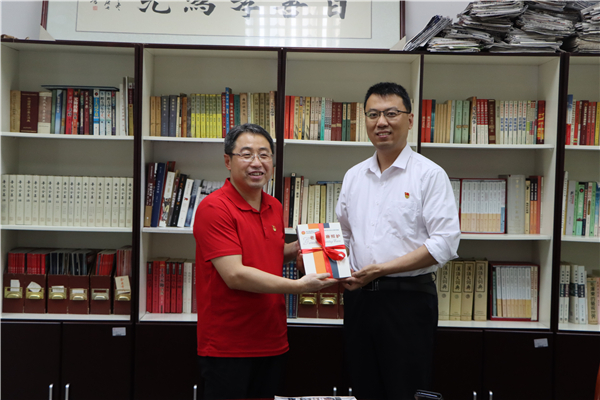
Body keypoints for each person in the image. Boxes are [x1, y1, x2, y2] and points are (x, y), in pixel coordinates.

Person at [335, 82, 461, 400]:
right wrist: (334, 266)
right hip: (360, 301)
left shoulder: (429, 175)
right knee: (364, 389)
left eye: (391, 113)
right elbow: (344, 235)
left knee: (405, 391)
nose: (382, 122)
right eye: (373, 114)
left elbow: (445, 243)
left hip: (408, 302)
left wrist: (381, 270)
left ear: (410, 119)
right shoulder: (353, 176)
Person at [193, 123, 336, 400]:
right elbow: (235, 274)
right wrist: (298, 286)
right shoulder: (214, 208)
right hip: (228, 345)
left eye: (264, 154)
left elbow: (267, 252)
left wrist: (302, 248)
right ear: (228, 161)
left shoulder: (274, 206)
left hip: (272, 338)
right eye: (246, 154)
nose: (257, 163)